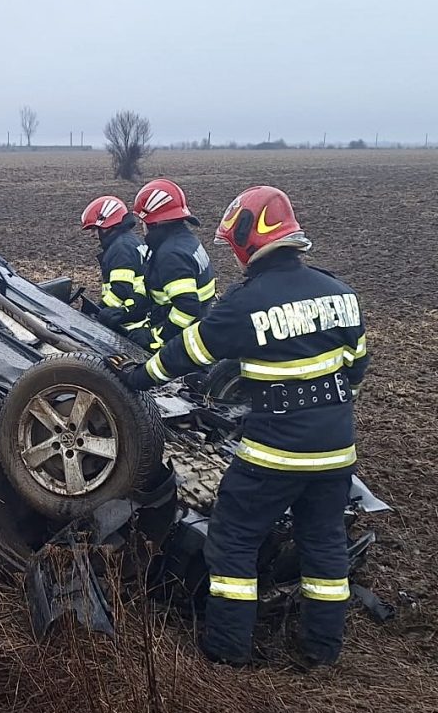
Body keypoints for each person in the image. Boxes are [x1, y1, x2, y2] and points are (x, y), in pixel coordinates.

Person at [111, 185, 369, 667]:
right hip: (336, 451)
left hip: (274, 454)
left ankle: (227, 652)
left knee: (233, 541)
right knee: (325, 546)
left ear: (250, 239)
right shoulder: (342, 294)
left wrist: (132, 378)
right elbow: (355, 368)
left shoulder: (247, 303)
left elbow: (188, 353)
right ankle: (322, 651)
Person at [129, 179, 216, 352]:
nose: (140, 224)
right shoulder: (185, 240)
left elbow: (187, 308)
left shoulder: (171, 255)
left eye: (143, 219)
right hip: (202, 323)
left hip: (184, 339)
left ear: (155, 222)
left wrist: (157, 337)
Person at [80, 195, 150, 333]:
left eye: (94, 229)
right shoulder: (133, 241)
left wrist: (100, 312)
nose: (92, 235)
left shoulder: (121, 248)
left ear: (108, 225)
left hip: (128, 321)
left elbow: (121, 289)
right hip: (139, 313)